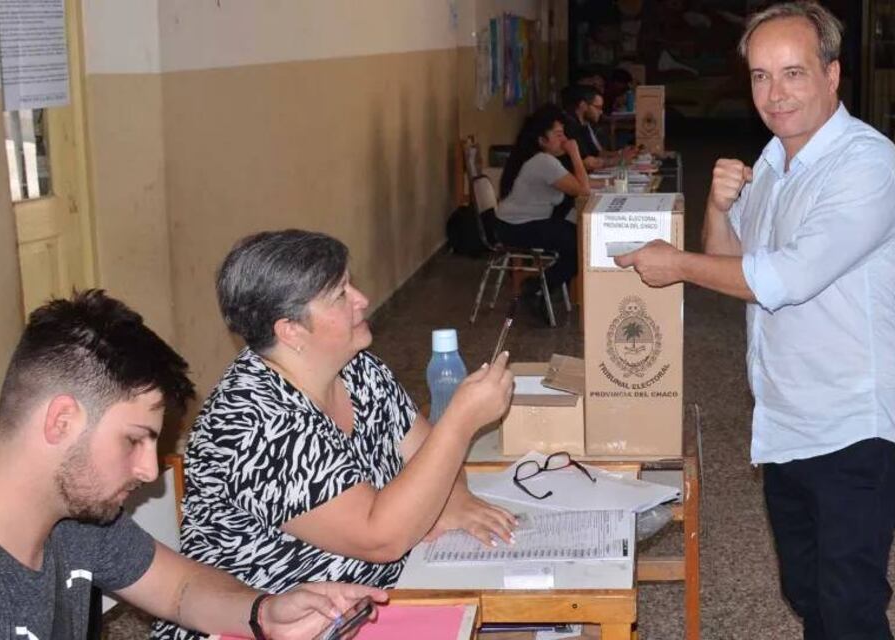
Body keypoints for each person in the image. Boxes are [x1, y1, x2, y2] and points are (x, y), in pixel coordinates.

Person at [615, 3, 895, 638]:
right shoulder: (774, 163)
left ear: (832, 75)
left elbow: (786, 279)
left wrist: (677, 265)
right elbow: (734, 266)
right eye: (759, 76)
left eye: (793, 73)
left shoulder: (866, 164)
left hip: (853, 424)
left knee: (850, 607)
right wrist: (719, 209)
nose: (775, 94)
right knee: (806, 593)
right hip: (784, 419)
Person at [0, 289, 385, 640]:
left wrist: (264, 613)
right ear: (61, 420)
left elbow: (179, 589)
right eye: (134, 440)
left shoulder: (69, 513)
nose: (147, 471)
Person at [152, 230, 514, 639]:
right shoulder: (254, 422)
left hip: (362, 610)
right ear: (290, 330)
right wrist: (461, 421)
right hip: (269, 629)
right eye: (340, 294)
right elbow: (380, 538)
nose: (361, 299)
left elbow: (431, 458)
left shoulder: (358, 368)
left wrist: (448, 501)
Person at [496, 104, 591, 307]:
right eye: (558, 135)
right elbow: (583, 190)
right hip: (516, 228)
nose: (564, 140)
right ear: (542, 140)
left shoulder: (542, 159)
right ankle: (539, 288)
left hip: (518, 223)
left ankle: (540, 287)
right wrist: (575, 154)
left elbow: (574, 184)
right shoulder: (544, 162)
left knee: (577, 237)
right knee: (581, 243)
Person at [561, 84, 607, 171]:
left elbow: (597, 153)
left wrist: (621, 155)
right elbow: (588, 162)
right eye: (597, 107)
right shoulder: (570, 127)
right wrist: (621, 160)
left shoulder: (584, 125)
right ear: (583, 105)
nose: (601, 112)